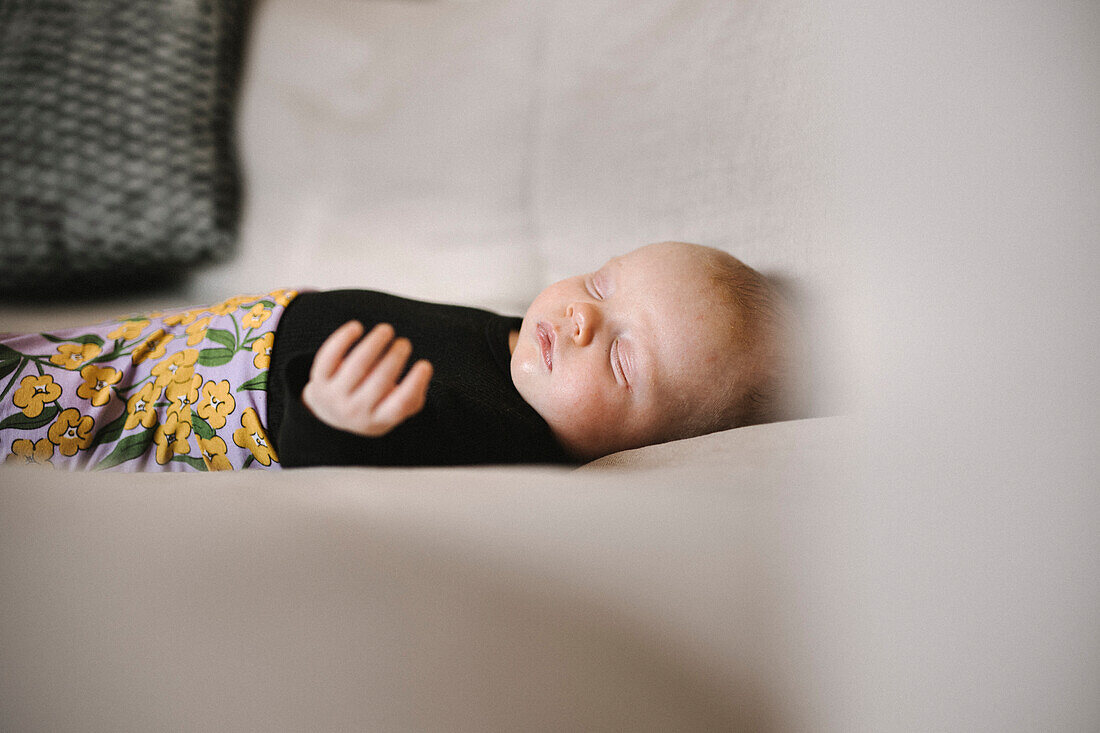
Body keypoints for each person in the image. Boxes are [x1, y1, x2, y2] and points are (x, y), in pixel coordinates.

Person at [0, 242, 792, 470]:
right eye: (603, 281)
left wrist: (339, 422)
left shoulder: (504, 440)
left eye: (624, 361)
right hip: (180, 342)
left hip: (183, 417)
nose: (584, 317)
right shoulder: (532, 341)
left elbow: (352, 473)